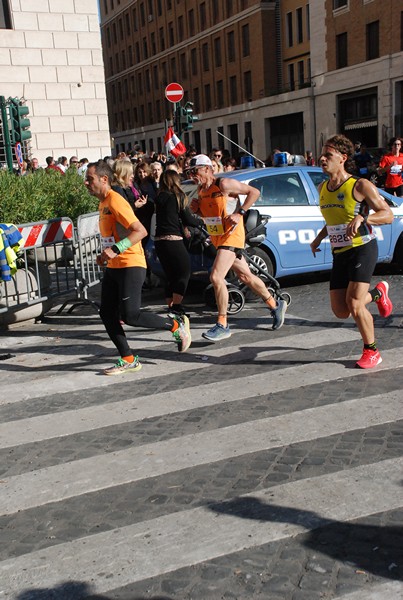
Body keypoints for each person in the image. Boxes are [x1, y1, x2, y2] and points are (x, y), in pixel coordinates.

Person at [84, 160, 191, 375]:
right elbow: (115, 234)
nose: (86, 183)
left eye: (90, 179)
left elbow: (140, 231)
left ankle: (176, 327)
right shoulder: (103, 202)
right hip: (115, 265)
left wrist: (115, 249)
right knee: (107, 313)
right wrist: (105, 255)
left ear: (104, 179)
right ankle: (128, 358)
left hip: (131, 264)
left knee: (131, 315)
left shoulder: (115, 200)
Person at [310, 134, 394, 369]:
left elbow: (387, 214)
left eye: (328, 154)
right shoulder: (322, 188)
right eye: (322, 153)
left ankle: (372, 350)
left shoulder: (359, 185)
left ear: (343, 158)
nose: (322, 158)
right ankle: (378, 294)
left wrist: (364, 217)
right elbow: (334, 221)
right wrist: (318, 239)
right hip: (340, 252)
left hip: (362, 248)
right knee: (341, 310)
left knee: (355, 304)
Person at [187, 154, 287, 341]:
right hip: (219, 239)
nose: (192, 175)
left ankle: (222, 324)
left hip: (232, 237)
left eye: (195, 171)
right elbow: (211, 216)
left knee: (216, 277)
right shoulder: (201, 191)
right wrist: (197, 210)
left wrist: (240, 213)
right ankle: (275, 304)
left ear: (207, 169)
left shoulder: (224, 184)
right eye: (190, 172)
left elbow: (254, 192)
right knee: (245, 276)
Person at [154, 169, 203, 314]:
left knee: (170, 275)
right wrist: (201, 221)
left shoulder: (159, 197)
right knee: (184, 272)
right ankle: (177, 306)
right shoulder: (178, 196)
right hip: (173, 239)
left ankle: (170, 306)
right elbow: (188, 218)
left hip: (159, 240)